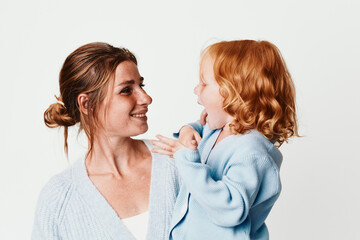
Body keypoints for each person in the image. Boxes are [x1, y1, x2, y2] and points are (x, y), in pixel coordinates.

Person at [151, 40, 299, 239]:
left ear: (233, 92)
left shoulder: (250, 152)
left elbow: (230, 209)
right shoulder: (216, 131)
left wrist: (187, 161)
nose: (196, 89)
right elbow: (199, 129)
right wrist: (187, 131)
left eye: (204, 83)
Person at [32, 42, 180, 240]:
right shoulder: (58, 201)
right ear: (87, 104)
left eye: (141, 85)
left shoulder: (175, 159)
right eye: (126, 90)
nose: (146, 98)